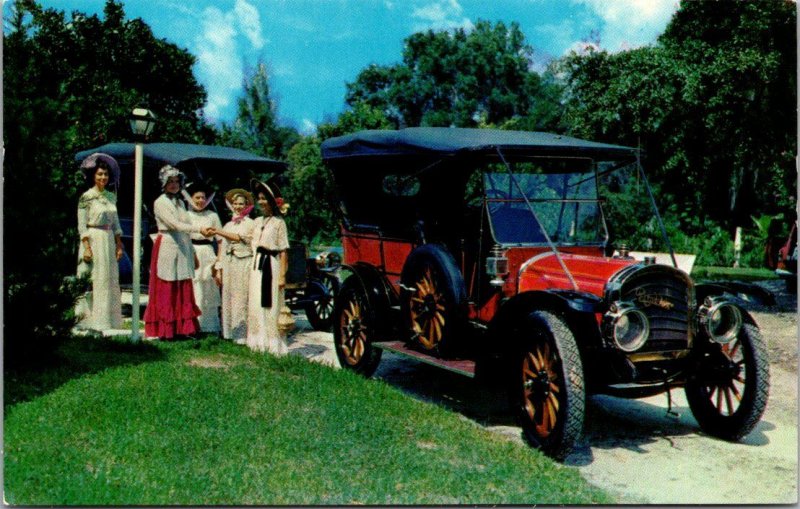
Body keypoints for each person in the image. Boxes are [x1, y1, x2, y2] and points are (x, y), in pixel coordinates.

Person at [143, 165, 214, 340]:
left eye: (176, 181)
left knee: (182, 285)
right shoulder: (160, 202)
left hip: (182, 244)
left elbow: (184, 228)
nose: (174, 185)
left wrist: (192, 253)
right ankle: (166, 330)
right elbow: (174, 224)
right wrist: (199, 228)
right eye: (170, 181)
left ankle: (181, 329)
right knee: (167, 285)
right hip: (167, 242)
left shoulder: (181, 202)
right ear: (164, 183)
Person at [75, 153, 125, 331]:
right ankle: (90, 320)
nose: (103, 177)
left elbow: (116, 222)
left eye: (105, 174)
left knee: (109, 279)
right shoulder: (86, 197)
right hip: (93, 239)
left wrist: (119, 244)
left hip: (108, 239)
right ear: (93, 176)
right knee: (94, 278)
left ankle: (108, 320)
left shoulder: (111, 197)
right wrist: (87, 248)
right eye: (99, 174)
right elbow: (82, 225)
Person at [247, 179, 290, 354]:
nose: (261, 202)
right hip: (257, 264)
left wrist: (282, 276)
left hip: (271, 265)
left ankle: (273, 344)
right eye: (259, 198)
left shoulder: (279, 223)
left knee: (271, 303)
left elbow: (283, 251)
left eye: (264, 198)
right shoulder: (257, 221)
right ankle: (257, 342)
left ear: (272, 200)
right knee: (256, 301)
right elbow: (247, 239)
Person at [214, 189, 256, 343]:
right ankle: (229, 332)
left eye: (241, 204)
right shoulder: (228, 224)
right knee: (228, 296)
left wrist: (218, 231)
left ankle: (243, 334)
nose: (238, 206)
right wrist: (219, 268)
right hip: (229, 262)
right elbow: (222, 246)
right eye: (235, 204)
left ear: (247, 205)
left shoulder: (251, 224)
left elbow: (242, 239)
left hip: (244, 261)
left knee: (242, 296)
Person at [183, 182, 222, 333]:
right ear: (190, 198)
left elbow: (220, 240)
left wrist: (218, 261)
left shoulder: (212, 216)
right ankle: (191, 326)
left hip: (207, 252)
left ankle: (209, 326)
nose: (200, 201)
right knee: (193, 287)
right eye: (197, 197)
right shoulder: (186, 215)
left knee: (208, 288)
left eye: (203, 198)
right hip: (191, 251)